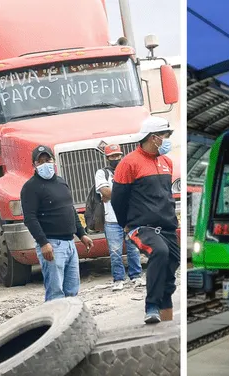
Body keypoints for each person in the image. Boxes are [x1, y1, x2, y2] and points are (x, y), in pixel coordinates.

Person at [111, 116, 180, 324]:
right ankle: (151, 306)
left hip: (167, 227)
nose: (168, 140)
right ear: (154, 137)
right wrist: (128, 225)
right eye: (165, 136)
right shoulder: (129, 163)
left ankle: (166, 324)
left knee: (170, 269)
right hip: (142, 226)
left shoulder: (166, 162)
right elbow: (118, 199)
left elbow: (167, 196)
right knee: (159, 251)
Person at [21, 145, 94, 301]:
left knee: (72, 290)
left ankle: (71, 323)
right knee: (55, 293)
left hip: (69, 244)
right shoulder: (30, 187)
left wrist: (82, 234)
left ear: (53, 161)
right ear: (34, 165)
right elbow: (30, 218)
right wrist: (43, 243)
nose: (45, 164)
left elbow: (70, 209)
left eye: (48, 160)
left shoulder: (61, 182)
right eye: (40, 161)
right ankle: (54, 322)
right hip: (52, 245)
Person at [94, 144, 144, 291]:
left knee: (133, 249)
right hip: (112, 220)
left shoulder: (130, 170)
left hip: (130, 218)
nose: (115, 158)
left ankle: (136, 276)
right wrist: (124, 192)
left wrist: (112, 194)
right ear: (107, 158)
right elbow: (104, 191)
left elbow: (138, 191)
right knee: (115, 252)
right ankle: (118, 279)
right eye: (112, 156)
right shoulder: (102, 173)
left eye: (117, 155)